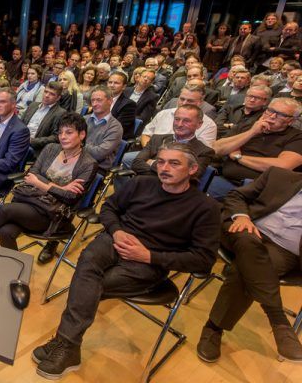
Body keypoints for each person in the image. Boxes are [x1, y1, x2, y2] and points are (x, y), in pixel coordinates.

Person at [32, 143, 220, 379]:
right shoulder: (142, 183)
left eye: (174, 163)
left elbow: (203, 260)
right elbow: (109, 208)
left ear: (192, 169)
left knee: (89, 283)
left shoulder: (206, 208)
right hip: (117, 239)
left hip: (151, 260)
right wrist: (117, 231)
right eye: (160, 162)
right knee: (88, 260)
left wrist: (149, 256)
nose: (164, 168)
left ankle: (64, 342)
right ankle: (68, 345)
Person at [197, 167, 302, 364]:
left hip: (285, 251)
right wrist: (242, 216)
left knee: (245, 269)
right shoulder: (279, 175)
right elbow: (235, 195)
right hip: (244, 228)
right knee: (249, 243)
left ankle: (213, 328)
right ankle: (278, 320)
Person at [0, 112, 98, 261]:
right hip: (30, 201)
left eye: (69, 132)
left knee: (4, 209)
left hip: (54, 215)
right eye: (60, 132)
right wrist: (59, 187)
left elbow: (71, 198)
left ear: (82, 135)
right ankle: (14, 269)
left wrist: (40, 183)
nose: (63, 136)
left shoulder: (88, 164)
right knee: (5, 231)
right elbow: (30, 174)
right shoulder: (51, 148)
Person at [208, 97, 302, 200]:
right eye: (270, 110)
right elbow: (215, 148)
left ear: (291, 121)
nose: (272, 116)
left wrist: (239, 157)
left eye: (282, 115)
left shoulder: (296, 137)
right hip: (224, 178)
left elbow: (283, 166)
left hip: (258, 190)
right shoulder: (249, 126)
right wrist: (252, 132)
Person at [141, 84, 218, 148]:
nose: (184, 103)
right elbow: (146, 134)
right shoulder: (163, 114)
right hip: (150, 152)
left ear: (200, 103)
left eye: (190, 101)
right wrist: (150, 151)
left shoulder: (209, 125)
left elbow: (200, 152)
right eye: (182, 99)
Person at [83, 86, 122, 173]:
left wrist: (77, 144)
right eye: (93, 100)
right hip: (74, 160)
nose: (94, 104)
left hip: (96, 167)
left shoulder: (115, 127)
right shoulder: (84, 119)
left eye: (99, 100)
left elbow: (99, 154)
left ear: (110, 101)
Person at [21, 81, 66, 156]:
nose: (47, 95)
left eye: (52, 94)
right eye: (46, 92)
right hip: (20, 140)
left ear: (58, 98)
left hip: (35, 148)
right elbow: (20, 124)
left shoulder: (60, 113)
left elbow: (56, 137)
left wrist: (32, 141)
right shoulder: (33, 105)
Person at [106, 71, 137, 140]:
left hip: (114, 139)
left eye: (116, 83)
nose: (112, 85)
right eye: (110, 82)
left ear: (124, 87)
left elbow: (116, 128)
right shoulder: (102, 99)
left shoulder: (129, 105)